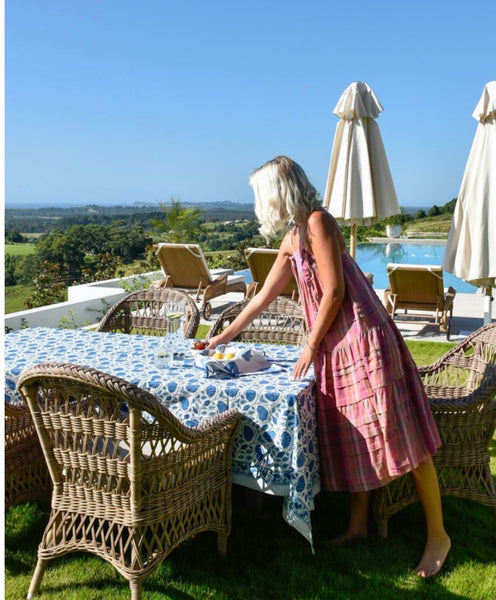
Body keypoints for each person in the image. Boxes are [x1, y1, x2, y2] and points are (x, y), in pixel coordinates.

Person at [207, 155, 451, 577]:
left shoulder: (319, 222)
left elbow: (335, 292)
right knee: (356, 431)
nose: (257, 202)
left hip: (362, 337)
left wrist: (309, 345)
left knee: (400, 434)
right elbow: (263, 298)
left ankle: (438, 535)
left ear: (277, 191)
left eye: (259, 193)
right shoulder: (292, 237)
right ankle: (358, 525)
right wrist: (220, 338)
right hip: (337, 345)